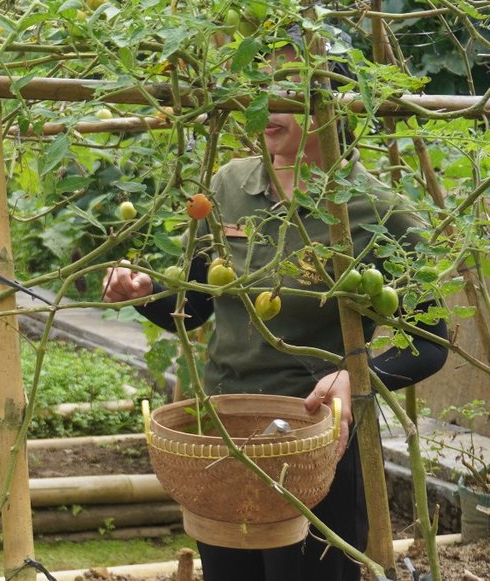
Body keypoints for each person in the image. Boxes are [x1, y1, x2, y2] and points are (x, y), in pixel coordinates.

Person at [102, 40, 448, 581]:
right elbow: (194, 307)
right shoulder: (228, 187)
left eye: (288, 92)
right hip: (226, 432)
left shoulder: (380, 212)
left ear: (331, 106)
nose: (268, 107)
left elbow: (432, 341)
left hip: (315, 438)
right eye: (262, 90)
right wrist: (143, 290)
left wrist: (355, 376)